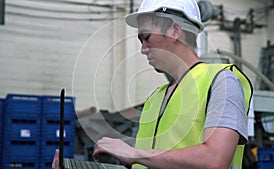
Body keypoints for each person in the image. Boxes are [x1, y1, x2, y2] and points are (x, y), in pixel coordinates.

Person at [52, 0, 253, 168]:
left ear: (175, 31)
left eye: (146, 38)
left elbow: (215, 160)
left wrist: (134, 153)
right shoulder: (155, 100)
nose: (143, 49)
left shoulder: (221, 82)